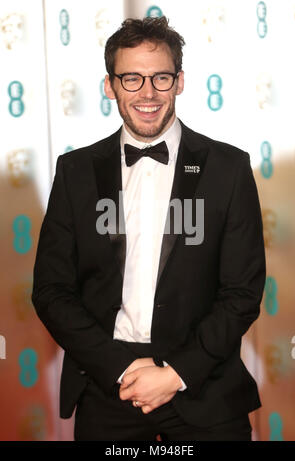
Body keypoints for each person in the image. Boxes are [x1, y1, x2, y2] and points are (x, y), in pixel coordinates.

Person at [32, 16, 266, 441]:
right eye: (131, 78)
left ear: (179, 81)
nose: (147, 93)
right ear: (110, 85)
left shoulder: (228, 169)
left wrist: (176, 373)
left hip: (205, 388)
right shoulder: (76, 171)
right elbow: (51, 290)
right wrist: (119, 367)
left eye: (160, 77)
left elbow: (243, 291)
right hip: (108, 389)